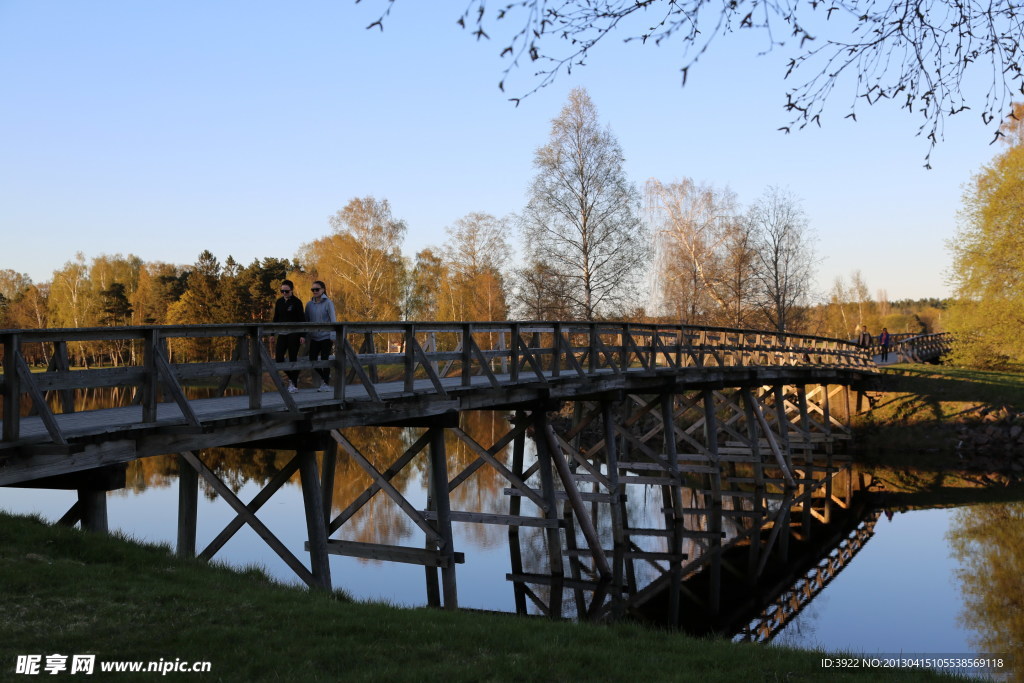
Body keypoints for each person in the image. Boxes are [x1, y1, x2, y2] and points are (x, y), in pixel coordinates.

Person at [272, 280, 305, 393]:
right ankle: (292, 377)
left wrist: (302, 335)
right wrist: (272, 333)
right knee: (279, 358)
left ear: (291, 290)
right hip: (282, 333)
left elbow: (302, 319)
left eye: (286, 291)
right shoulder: (279, 302)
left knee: (292, 358)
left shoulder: (297, 302)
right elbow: (276, 318)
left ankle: (294, 385)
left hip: (294, 334)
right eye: (282, 291)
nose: (284, 293)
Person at [305, 280, 337, 392]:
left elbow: (333, 319)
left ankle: (326, 384)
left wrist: (333, 336)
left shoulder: (328, 303)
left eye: (317, 289)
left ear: (323, 290)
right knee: (312, 359)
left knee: (325, 359)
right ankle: (325, 377)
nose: (315, 291)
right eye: (313, 290)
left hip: (326, 336)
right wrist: (306, 336)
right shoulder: (309, 305)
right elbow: (306, 321)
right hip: (314, 337)